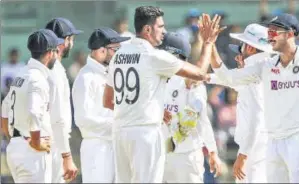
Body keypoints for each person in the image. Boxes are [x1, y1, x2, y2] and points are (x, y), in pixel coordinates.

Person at [209, 13, 299, 183]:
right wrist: (209, 44)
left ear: (290, 34)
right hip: (273, 142)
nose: (269, 36)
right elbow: (228, 77)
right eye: (268, 32)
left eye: (274, 32)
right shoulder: (266, 66)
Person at [102, 6, 224, 183]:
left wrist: (145, 111)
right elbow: (199, 74)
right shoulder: (154, 56)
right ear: (148, 29)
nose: (164, 31)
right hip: (146, 134)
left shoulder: (118, 56)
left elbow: (107, 101)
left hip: (120, 133)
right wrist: (207, 43)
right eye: (160, 26)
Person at [208, 23, 274, 183]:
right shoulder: (263, 67)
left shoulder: (255, 71)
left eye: (242, 45)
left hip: (256, 144)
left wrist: (243, 155)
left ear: (250, 48)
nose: (239, 51)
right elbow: (228, 79)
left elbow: (257, 118)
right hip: (260, 143)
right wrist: (202, 76)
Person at [159, 32, 222, 183]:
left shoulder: (190, 82)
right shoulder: (158, 79)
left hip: (174, 156)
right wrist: (212, 151)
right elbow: (199, 119)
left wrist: (212, 150)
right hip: (177, 156)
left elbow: (195, 118)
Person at [1, 29, 61, 183]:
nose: (57, 54)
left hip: (16, 147)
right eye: (56, 50)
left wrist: (12, 136)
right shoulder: (37, 78)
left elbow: (5, 107)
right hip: (32, 151)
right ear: (49, 53)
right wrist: (35, 142)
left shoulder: (22, 73)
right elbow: (34, 111)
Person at [72, 27, 130, 183]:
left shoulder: (110, 73)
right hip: (97, 147)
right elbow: (82, 119)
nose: (118, 54)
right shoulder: (86, 78)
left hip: (115, 144)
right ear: (101, 51)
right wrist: (116, 125)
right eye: (115, 49)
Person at [45, 17, 81, 183]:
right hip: (52, 145)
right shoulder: (56, 71)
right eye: (71, 39)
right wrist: (66, 155)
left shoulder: (36, 68)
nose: (72, 44)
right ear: (65, 41)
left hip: (39, 142)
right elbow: (59, 118)